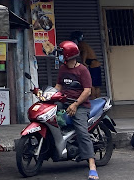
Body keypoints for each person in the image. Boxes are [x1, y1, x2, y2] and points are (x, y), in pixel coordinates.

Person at [54, 40, 97, 180]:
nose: (59, 56)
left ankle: (92, 166)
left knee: (82, 133)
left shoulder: (82, 70)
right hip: (64, 102)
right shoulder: (63, 68)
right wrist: (49, 95)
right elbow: (59, 85)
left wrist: (75, 105)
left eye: (61, 53)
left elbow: (87, 91)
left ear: (67, 55)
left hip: (80, 105)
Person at [71, 30, 102, 99]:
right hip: (96, 64)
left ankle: (94, 99)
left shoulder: (81, 44)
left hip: (92, 65)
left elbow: (84, 51)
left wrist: (83, 62)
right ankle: (98, 99)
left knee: (91, 84)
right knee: (97, 85)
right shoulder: (84, 44)